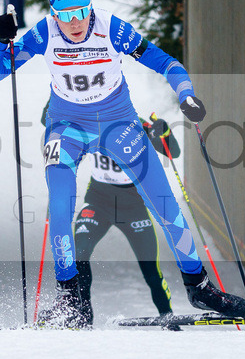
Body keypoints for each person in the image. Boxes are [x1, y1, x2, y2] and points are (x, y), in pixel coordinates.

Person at [0, 0, 245, 328]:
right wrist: (2, 41)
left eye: (80, 11)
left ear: (90, 5)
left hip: (118, 123)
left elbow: (167, 62)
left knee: (166, 203)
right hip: (67, 127)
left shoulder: (111, 28)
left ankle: (199, 287)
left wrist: (186, 94)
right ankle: (71, 301)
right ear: (53, 13)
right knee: (60, 205)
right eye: (65, 14)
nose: (74, 22)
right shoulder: (44, 33)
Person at [71, 117, 182, 326]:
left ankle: (168, 318)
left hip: (133, 206)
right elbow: (49, 122)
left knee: (151, 269)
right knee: (79, 254)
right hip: (98, 201)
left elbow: (171, 152)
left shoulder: (137, 125)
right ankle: (83, 317)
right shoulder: (89, 124)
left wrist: (165, 132)